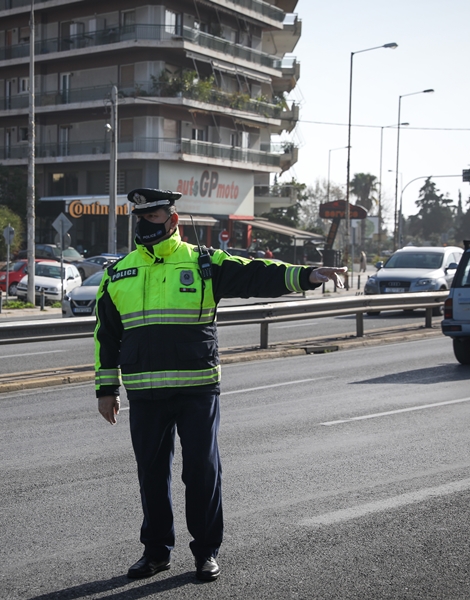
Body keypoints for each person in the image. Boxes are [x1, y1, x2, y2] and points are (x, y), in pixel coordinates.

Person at [94, 188, 347, 582]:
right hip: (145, 393)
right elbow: (106, 336)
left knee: (202, 472)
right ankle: (157, 552)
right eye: (141, 217)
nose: (146, 223)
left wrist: (305, 276)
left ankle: (206, 552)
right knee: (151, 475)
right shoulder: (119, 272)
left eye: (155, 215)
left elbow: (255, 273)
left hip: (197, 389)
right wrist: (106, 390)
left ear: (173, 218)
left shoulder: (204, 263)